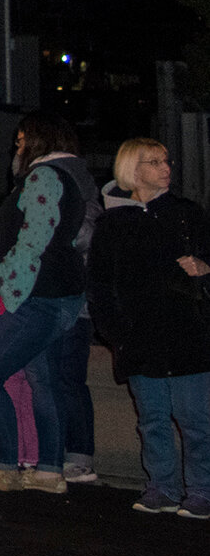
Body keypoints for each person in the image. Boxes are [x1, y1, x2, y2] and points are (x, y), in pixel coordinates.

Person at [0, 113, 100, 493]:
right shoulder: (67, 178)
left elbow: (34, 242)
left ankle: (8, 465)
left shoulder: (44, 178)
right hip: (55, 295)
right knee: (44, 381)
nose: (17, 147)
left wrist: (4, 282)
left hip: (37, 298)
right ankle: (48, 471)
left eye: (22, 139)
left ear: (38, 141)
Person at [89, 138, 210, 516]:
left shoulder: (188, 214)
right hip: (140, 338)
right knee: (153, 419)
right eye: (154, 162)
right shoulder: (113, 223)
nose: (166, 168)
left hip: (188, 335)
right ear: (132, 170)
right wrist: (118, 334)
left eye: (165, 161)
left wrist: (204, 271)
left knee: (196, 421)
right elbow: (101, 285)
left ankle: (202, 491)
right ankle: (162, 487)